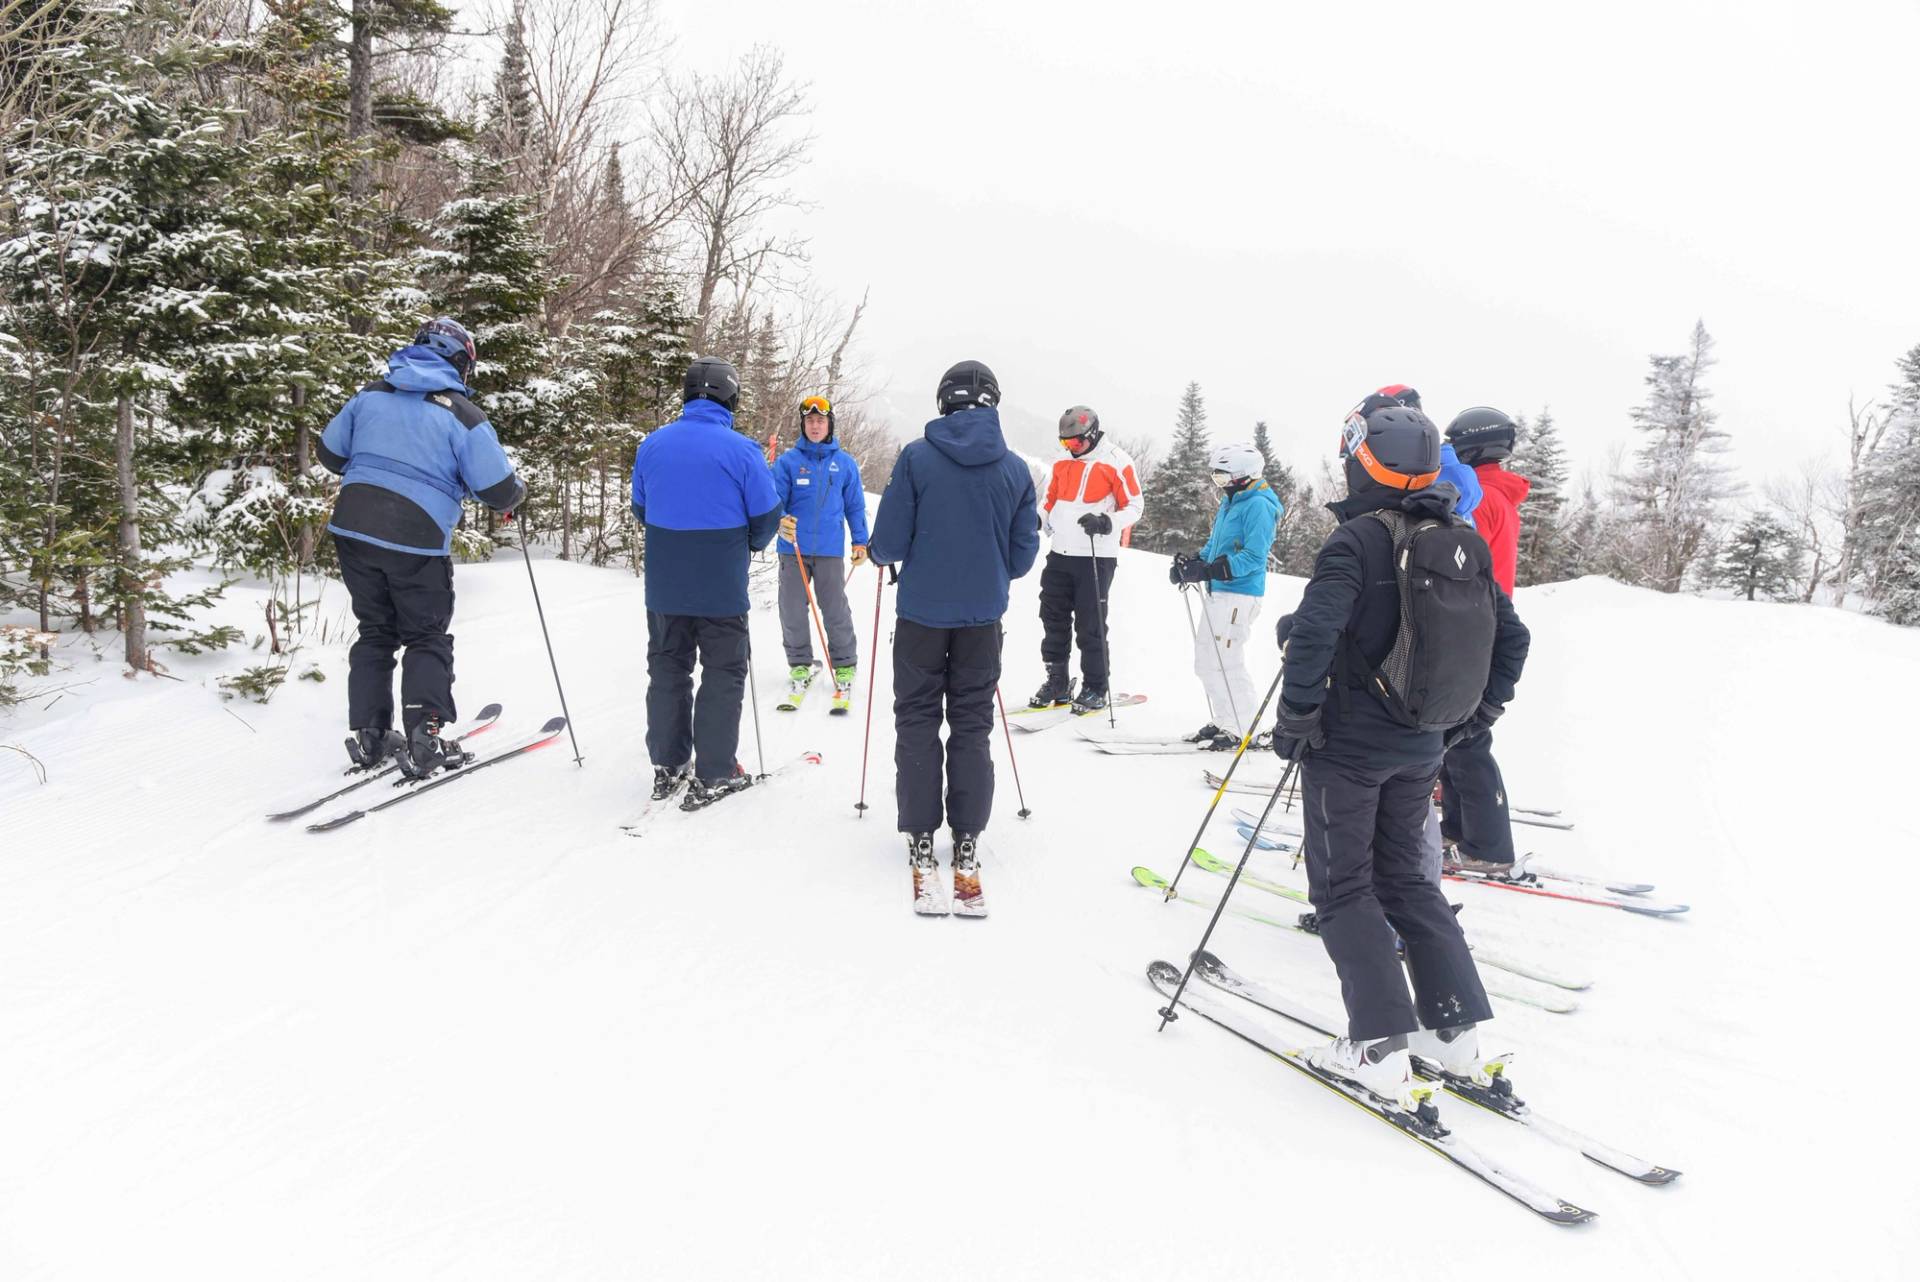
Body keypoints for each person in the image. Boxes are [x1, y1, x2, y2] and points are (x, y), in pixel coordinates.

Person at [1269, 397, 1529, 1111]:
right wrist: (1477, 716)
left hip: (1350, 747)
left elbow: (1316, 636)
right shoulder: (1457, 535)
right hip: (1422, 745)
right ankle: (1452, 1036)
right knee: (1409, 884)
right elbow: (1513, 639)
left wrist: (1295, 718)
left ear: (1362, 462)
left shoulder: (1356, 541)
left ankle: (1378, 1046)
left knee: (1344, 889)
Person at [319, 317, 525, 778]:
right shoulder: (461, 415)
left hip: (353, 528)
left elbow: (330, 454)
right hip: (416, 538)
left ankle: (371, 736)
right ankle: (423, 739)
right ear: (459, 362)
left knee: (376, 631)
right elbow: (497, 487)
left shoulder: (370, 395)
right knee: (425, 635)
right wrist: (515, 495)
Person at [868, 360, 1039, 882]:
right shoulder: (1013, 468)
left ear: (944, 401)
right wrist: (987, 572)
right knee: (972, 721)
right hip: (982, 619)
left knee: (917, 718)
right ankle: (967, 835)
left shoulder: (918, 458)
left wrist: (879, 553)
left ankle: (920, 831)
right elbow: (1022, 556)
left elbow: (891, 541)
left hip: (921, 614)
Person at [631, 356, 782, 810]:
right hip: (719, 583)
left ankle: (668, 762)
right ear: (729, 396)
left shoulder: (652, 446)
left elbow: (642, 508)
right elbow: (766, 515)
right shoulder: (742, 451)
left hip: (665, 582)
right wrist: (747, 544)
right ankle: (715, 770)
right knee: (723, 670)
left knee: (667, 666)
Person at [1438, 407, 1531, 874]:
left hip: (1475, 624)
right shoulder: (1498, 495)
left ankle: (1489, 844)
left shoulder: (1482, 499)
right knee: (1456, 735)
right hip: (1484, 621)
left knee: (1467, 739)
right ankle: (1458, 828)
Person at [1030, 405, 1144, 712]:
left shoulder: (1116, 462)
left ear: (1092, 435)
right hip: (1060, 553)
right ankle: (1057, 681)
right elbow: (1051, 502)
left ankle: (1096, 685)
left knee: (1090, 624)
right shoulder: (1062, 463)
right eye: (1066, 443)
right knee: (1052, 617)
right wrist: (1037, 520)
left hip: (1095, 556)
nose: (1071, 449)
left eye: (1077, 443)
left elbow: (1135, 505)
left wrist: (1107, 521)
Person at [1168, 443, 1281, 749]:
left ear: (1243, 475)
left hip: (1239, 595)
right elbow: (1215, 546)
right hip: (1220, 593)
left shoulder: (1258, 505)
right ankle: (1225, 719)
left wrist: (1211, 571)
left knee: (1228, 661)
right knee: (1207, 661)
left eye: (1222, 476)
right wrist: (1193, 564)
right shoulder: (1232, 501)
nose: (1218, 483)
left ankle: (1246, 727)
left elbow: (1255, 558)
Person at [771, 394, 870, 710]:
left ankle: (844, 664)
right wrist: (780, 521)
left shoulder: (845, 463)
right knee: (791, 608)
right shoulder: (787, 462)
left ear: (829, 424)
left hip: (828, 550)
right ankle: (800, 662)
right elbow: (775, 502)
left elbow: (855, 506)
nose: (815, 425)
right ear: (803, 424)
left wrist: (860, 541)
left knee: (834, 608)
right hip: (793, 549)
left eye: (820, 421)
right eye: (810, 421)